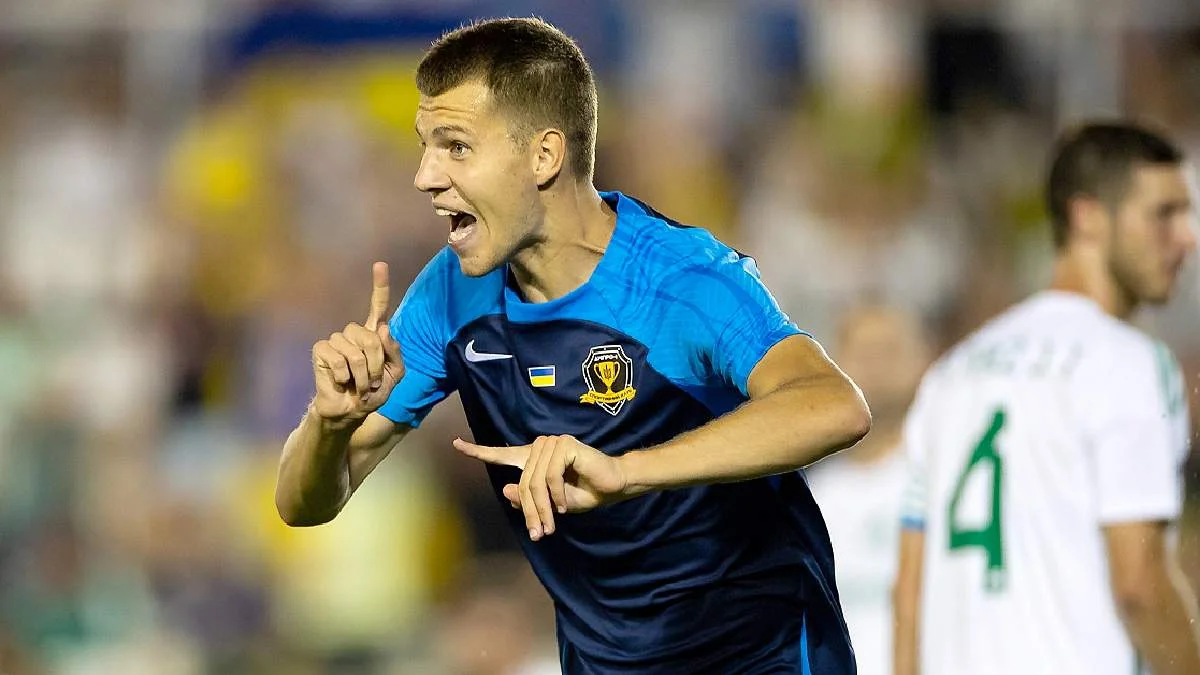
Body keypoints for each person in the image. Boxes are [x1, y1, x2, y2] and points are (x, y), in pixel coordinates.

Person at [273, 17, 871, 674]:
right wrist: (328, 423)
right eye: (426, 147)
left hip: (765, 656)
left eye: (456, 147)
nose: (424, 177)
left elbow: (835, 406)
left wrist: (629, 471)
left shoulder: (680, 281)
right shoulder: (450, 295)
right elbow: (305, 503)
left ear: (544, 156)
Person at [892, 121, 1200, 675]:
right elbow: (1139, 584)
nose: (1187, 238)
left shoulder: (951, 375)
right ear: (1088, 218)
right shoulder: (1129, 362)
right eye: (1164, 214)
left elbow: (909, 596)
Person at [806, 305, 932, 675]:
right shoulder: (811, 494)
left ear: (922, 362)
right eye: (862, 353)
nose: (876, 366)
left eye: (889, 351)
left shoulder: (938, 483)